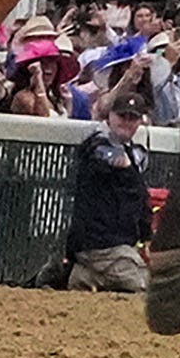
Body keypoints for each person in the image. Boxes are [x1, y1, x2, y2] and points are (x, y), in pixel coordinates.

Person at [44, 83, 157, 294]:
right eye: (122, 116)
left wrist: (146, 236)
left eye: (132, 117)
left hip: (117, 246)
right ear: (110, 116)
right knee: (144, 288)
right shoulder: (95, 145)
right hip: (101, 245)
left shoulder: (135, 154)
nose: (126, 122)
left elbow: (141, 201)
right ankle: (77, 272)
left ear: (140, 121)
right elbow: (101, 154)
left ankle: (78, 274)